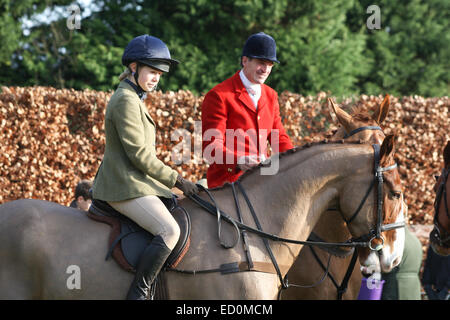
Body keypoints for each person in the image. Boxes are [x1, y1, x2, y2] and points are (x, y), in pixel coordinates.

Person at [91, 34, 199, 300]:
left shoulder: (134, 97)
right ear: (133, 67)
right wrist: (178, 180)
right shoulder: (126, 100)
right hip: (123, 186)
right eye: (152, 72)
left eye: (160, 75)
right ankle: (139, 293)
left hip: (136, 182)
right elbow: (140, 156)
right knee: (169, 230)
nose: (156, 79)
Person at [201, 32, 294, 188]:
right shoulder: (219, 95)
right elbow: (211, 148)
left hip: (264, 181)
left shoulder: (271, 95)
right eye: (261, 62)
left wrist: (297, 158)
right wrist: (239, 161)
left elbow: (279, 138)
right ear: (245, 60)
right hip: (228, 186)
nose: (266, 69)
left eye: (270, 64)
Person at [380, 226, 423, 300]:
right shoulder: (416, 241)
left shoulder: (396, 242)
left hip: (396, 286)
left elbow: (388, 267)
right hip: (413, 287)